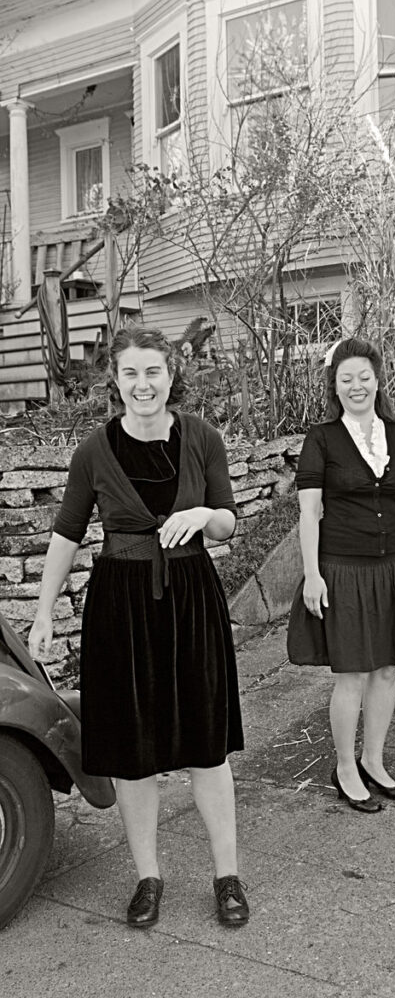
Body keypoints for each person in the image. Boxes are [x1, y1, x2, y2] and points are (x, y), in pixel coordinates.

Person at [28, 325, 249, 928]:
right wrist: (44, 610)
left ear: (172, 375)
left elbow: (228, 520)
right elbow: (66, 534)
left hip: (190, 602)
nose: (143, 383)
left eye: (153, 371)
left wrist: (205, 514)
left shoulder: (202, 438)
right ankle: (148, 876)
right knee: (133, 755)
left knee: (207, 747)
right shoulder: (94, 452)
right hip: (121, 608)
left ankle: (226, 875)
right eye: (131, 373)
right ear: (116, 380)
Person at [286, 338, 395, 812]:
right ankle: (345, 766)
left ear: (377, 379)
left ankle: (374, 761)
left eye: (364, 376)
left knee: (387, 670)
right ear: (335, 386)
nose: (356, 385)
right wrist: (312, 575)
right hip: (342, 570)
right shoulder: (322, 438)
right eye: (345, 378)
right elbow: (309, 512)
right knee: (351, 675)